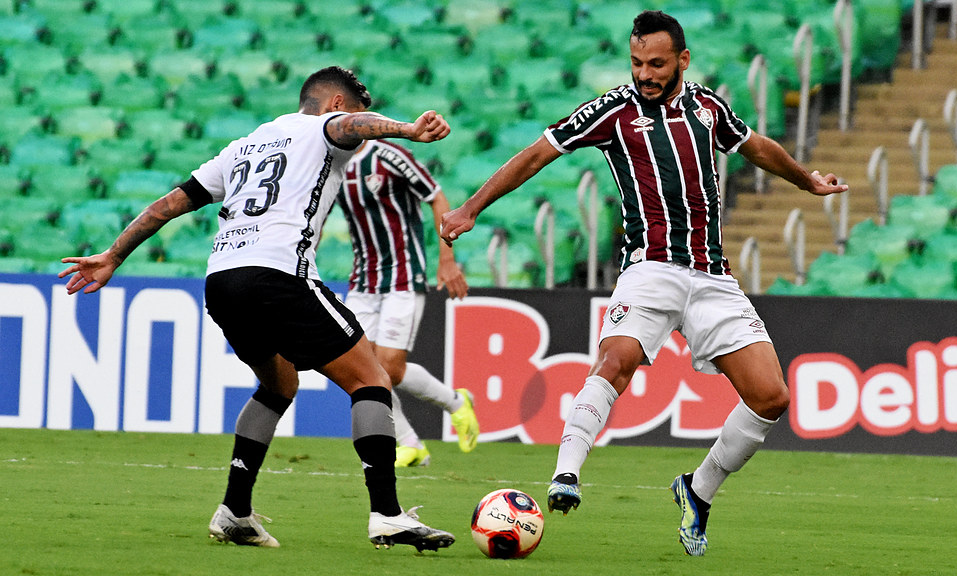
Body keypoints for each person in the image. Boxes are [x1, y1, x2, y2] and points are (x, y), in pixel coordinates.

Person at [440, 11, 848, 557]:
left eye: (656, 63)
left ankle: (698, 492)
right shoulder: (611, 110)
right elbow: (537, 154)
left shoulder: (709, 107)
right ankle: (565, 473)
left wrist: (807, 181)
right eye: (636, 63)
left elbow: (755, 147)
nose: (644, 74)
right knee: (616, 360)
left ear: (682, 60)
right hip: (649, 268)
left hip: (711, 274)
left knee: (771, 396)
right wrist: (471, 208)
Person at [59, 66, 457, 552]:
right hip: (278, 274)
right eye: (353, 110)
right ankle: (387, 516)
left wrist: (114, 255)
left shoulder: (245, 144)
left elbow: (169, 204)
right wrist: (407, 130)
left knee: (279, 383)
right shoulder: (323, 128)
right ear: (334, 104)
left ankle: (234, 511)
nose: (356, 127)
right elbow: (350, 128)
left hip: (223, 280)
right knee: (370, 380)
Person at [335, 138, 478, 467]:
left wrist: (447, 258)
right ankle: (409, 442)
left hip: (402, 274)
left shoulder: (387, 155)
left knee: (390, 368)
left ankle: (456, 403)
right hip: (363, 281)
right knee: (356, 368)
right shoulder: (331, 161)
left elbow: (435, 195)